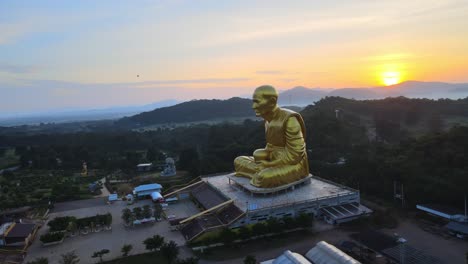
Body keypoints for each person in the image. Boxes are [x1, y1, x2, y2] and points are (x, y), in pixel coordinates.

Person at [234, 85, 309, 188]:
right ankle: (259, 171)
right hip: (271, 160)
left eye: (257, 102)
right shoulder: (267, 120)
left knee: (264, 177)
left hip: (292, 164)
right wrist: (264, 158)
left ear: (272, 102)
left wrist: (269, 165)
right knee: (238, 161)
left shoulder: (290, 120)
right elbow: (270, 146)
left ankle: (260, 172)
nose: (253, 106)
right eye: (253, 102)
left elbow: (295, 155)